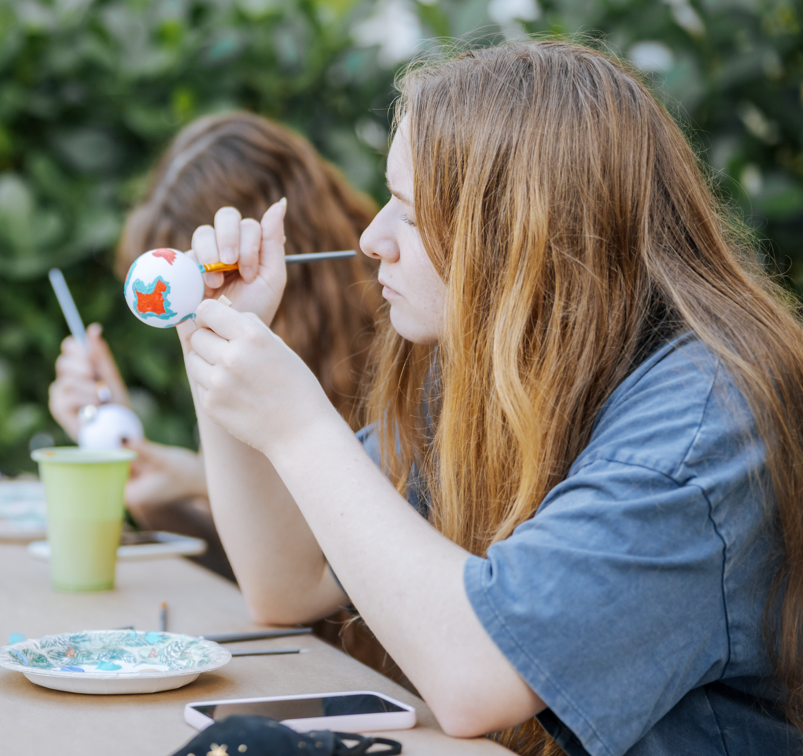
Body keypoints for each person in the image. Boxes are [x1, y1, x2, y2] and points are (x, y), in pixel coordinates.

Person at [178, 41, 803, 755]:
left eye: (409, 214)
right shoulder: (507, 365)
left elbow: (480, 676)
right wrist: (218, 337)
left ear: (524, 236)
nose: (371, 238)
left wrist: (299, 427)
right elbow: (287, 582)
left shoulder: (704, 431)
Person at [48, 112, 381, 580]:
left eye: (192, 287)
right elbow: (262, 576)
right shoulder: (251, 346)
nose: (188, 312)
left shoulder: (398, 354)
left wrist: (196, 480)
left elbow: (321, 587)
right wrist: (139, 458)